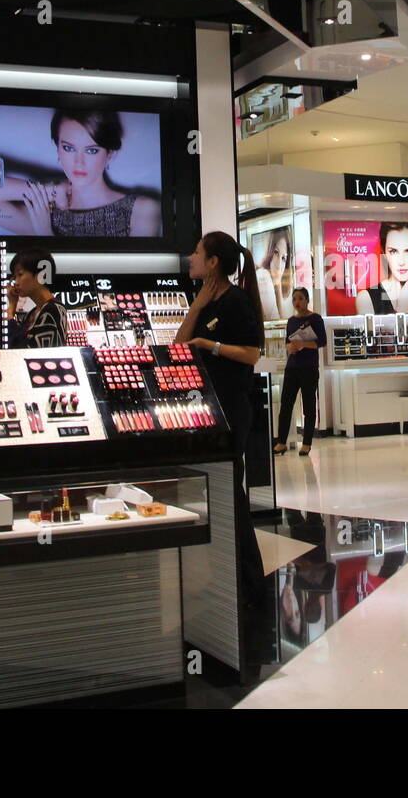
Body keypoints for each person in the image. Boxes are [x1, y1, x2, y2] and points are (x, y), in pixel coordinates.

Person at [175, 230, 265, 602]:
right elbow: (179, 346)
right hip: (209, 409)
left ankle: (249, 579)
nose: (190, 258)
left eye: (197, 253)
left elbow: (251, 353)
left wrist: (210, 345)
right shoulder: (207, 301)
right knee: (220, 492)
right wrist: (196, 308)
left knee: (231, 492)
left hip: (232, 407)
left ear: (213, 262)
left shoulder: (236, 302)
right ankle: (232, 575)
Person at [0, 109, 161, 237]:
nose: (78, 162)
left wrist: (45, 233)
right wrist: (51, 191)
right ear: (58, 149)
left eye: (91, 150)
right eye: (69, 148)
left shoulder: (142, 209)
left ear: (109, 154)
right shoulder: (44, 213)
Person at [273, 287, 325, 456]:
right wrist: (291, 347)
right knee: (286, 405)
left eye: (301, 298)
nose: (297, 302)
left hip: (309, 368)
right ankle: (281, 442)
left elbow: (321, 341)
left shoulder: (316, 319)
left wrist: (304, 344)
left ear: (307, 300)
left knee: (309, 406)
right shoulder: (291, 321)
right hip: (292, 367)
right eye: (294, 299)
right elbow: (287, 341)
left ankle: (307, 443)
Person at [356, 221, 408, 315]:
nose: (401, 262)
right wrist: (402, 310)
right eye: (393, 251)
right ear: (384, 254)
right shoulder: (366, 298)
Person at [6, 247, 67, 347]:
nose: (16, 282)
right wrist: (12, 304)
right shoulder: (34, 312)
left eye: (20, 274)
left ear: (41, 275)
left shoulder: (52, 310)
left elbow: (23, 349)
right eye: (15, 276)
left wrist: (11, 311)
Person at [255, 226, 294, 321]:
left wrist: (278, 284)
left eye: (284, 258)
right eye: (276, 253)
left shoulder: (273, 279)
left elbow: (282, 318)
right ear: (270, 251)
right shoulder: (263, 276)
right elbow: (276, 322)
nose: (279, 264)